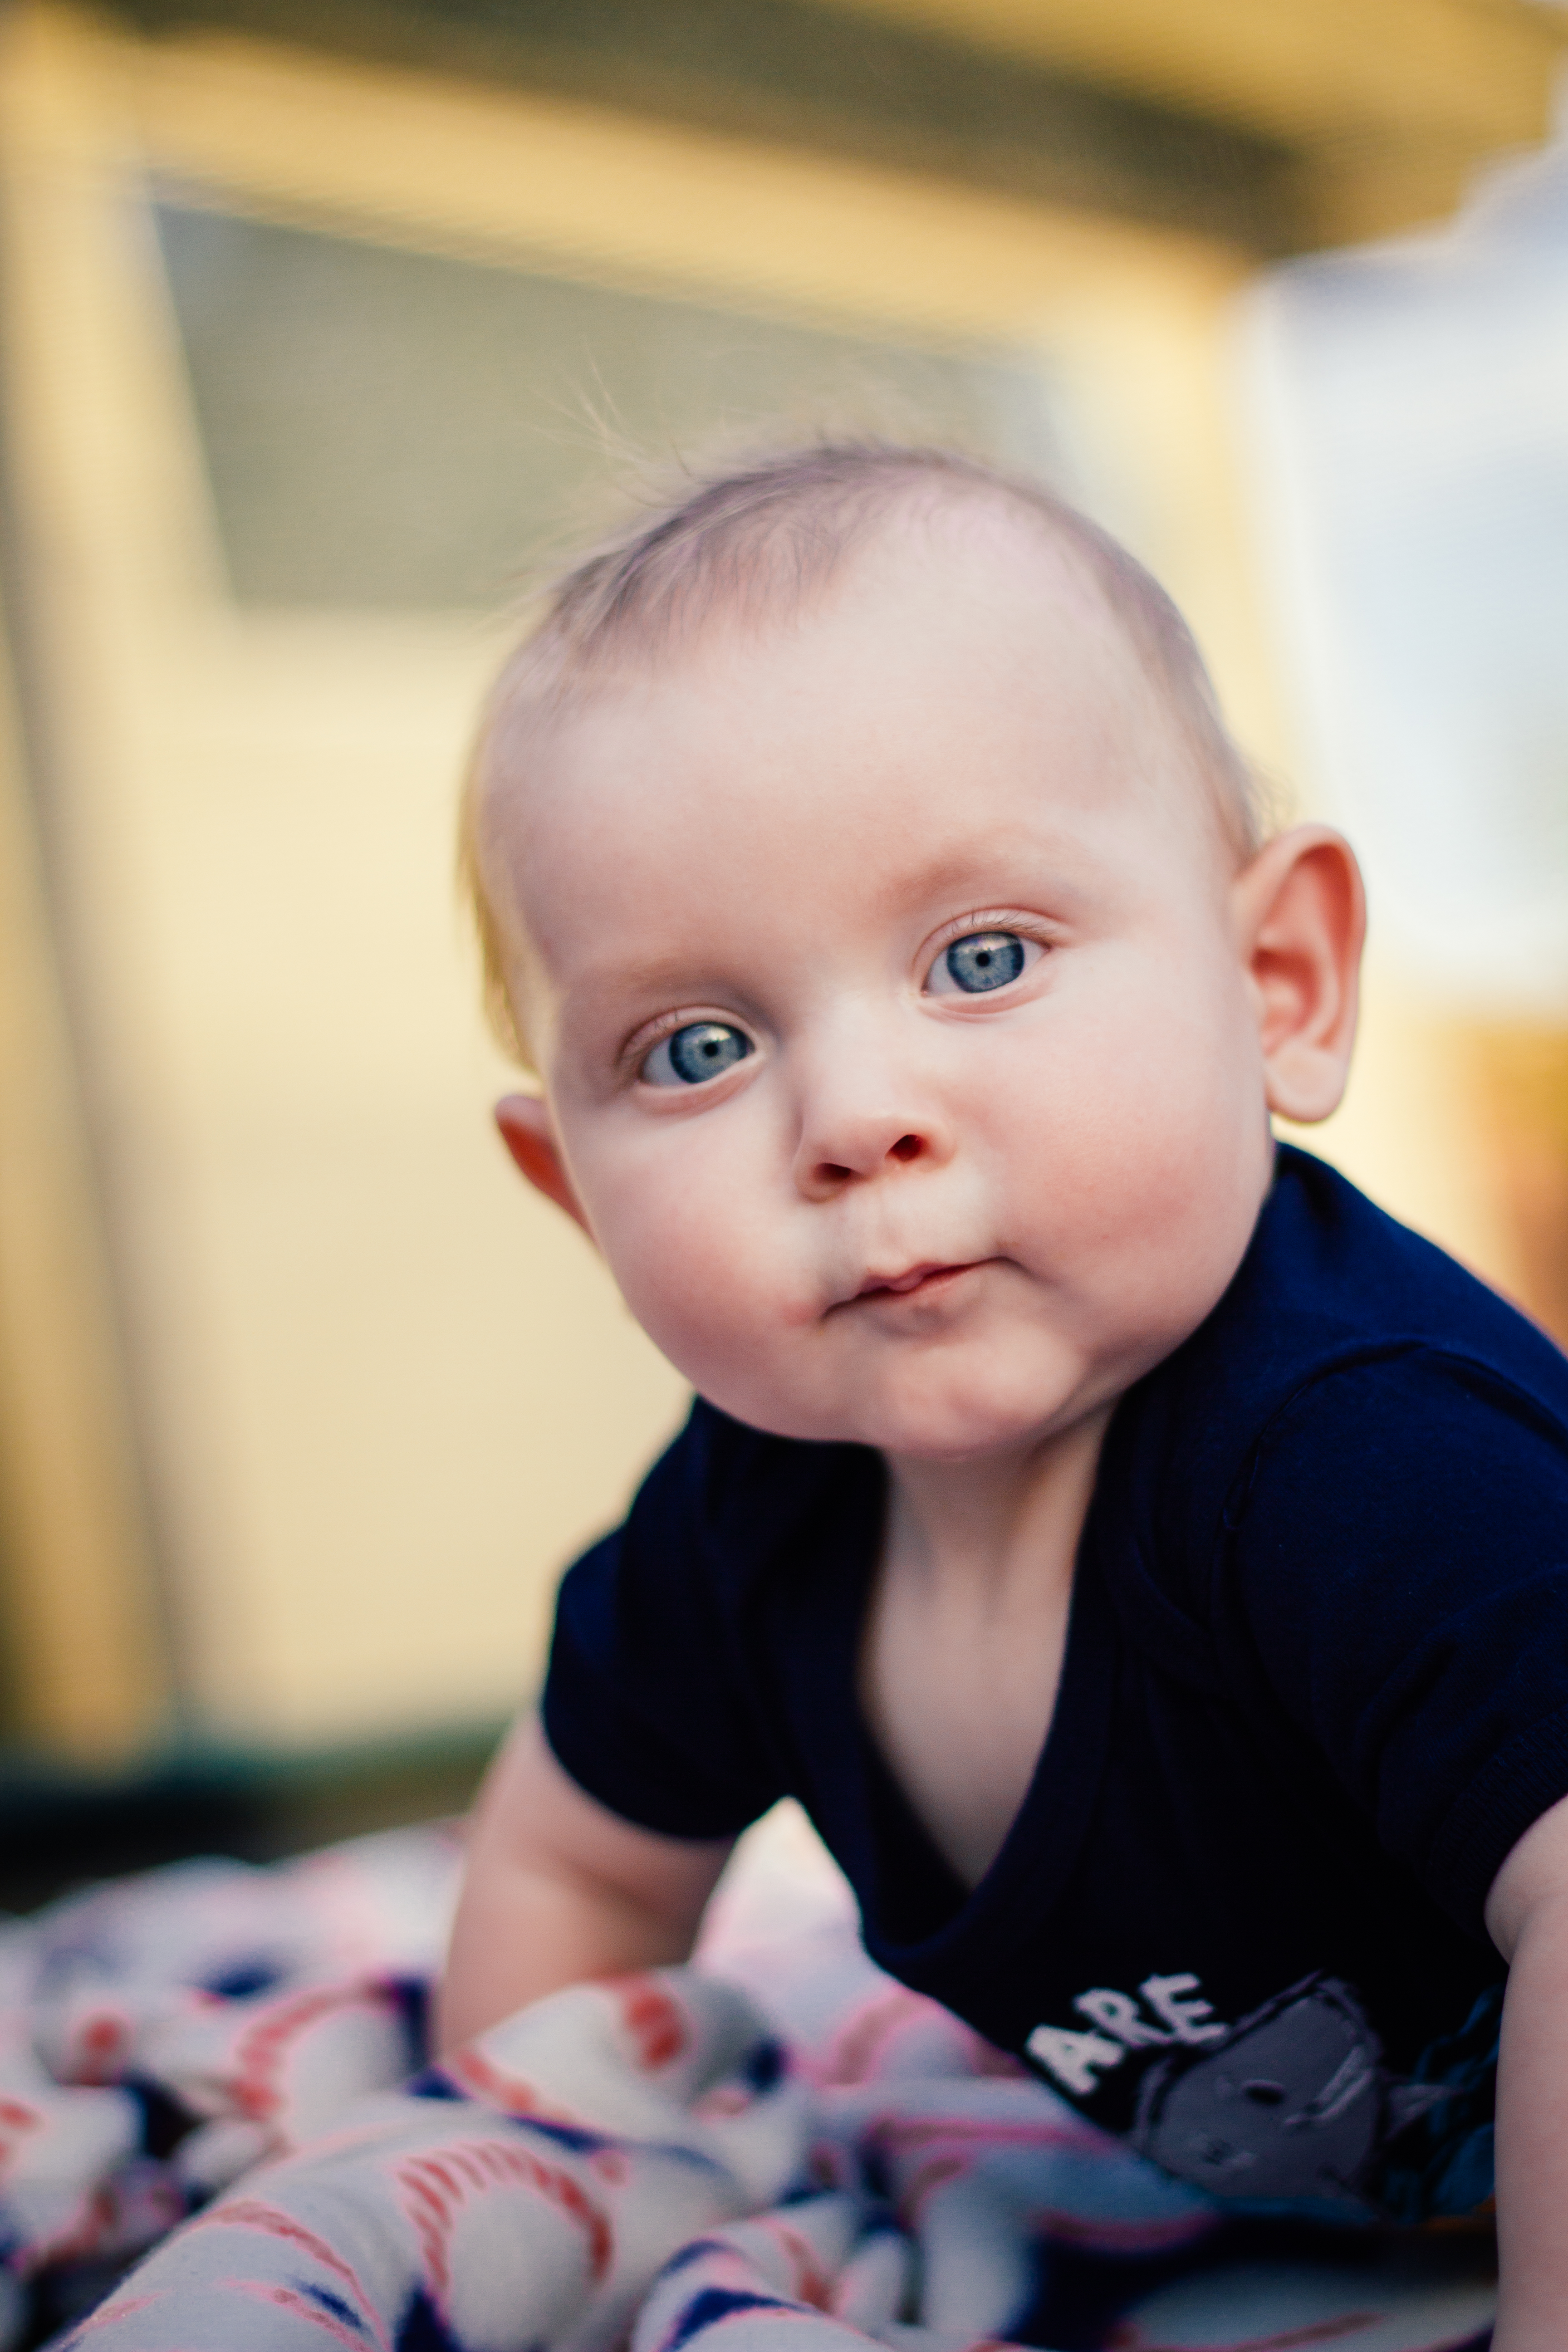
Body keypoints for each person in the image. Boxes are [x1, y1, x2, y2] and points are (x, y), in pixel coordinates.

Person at [437, 442, 1568, 2348]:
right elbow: (573, 1864)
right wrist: (537, 2219)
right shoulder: (747, 1529)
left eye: (981, 957)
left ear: (1276, 983)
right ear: (575, 1193)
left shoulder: (1361, 1456)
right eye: (699, 1047)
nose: (859, 1118)